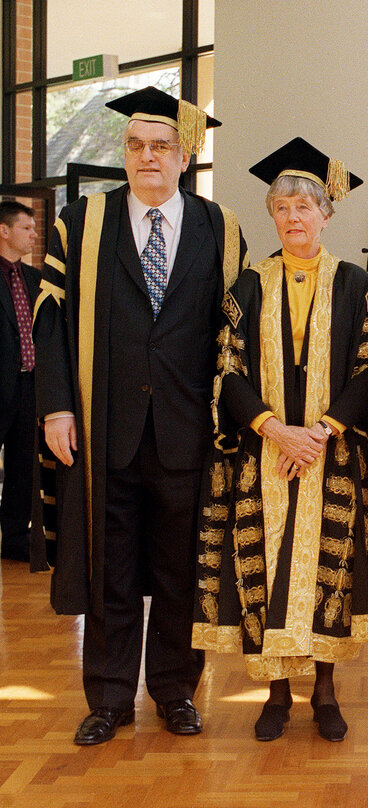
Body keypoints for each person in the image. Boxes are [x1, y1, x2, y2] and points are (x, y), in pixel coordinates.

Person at [32, 86, 247, 745]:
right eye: (135, 145)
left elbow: (236, 331)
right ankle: (109, 697)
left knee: (182, 571)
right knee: (111, 568)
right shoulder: (82, 221)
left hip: (190, 430)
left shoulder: (220, 226)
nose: (146, 156)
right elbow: (49, 317)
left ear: (185, 158)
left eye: (161, 147)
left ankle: (176, 691)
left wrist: (236, 419)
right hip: (103, 428)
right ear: (122, 154)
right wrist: (56, 407)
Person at [192, 138, 368, 743]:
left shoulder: (357, 285)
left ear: (327, 215)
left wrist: (323, 431)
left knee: (329, 569)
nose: (294, 217)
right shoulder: (247, 287)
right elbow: (227, 369)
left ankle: (325, 692)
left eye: (306, 207)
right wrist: (275, 429)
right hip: (264, 450)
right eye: (282, 208)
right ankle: (274, 695)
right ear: (272, 216)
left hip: (333, 452)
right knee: (266, 569)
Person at [0, 200, 39, 563]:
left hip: (28, 388)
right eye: (27, 228)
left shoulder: (32, 278)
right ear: (4, 230)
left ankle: (13, 539)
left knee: (22, 467)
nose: (34, 235)